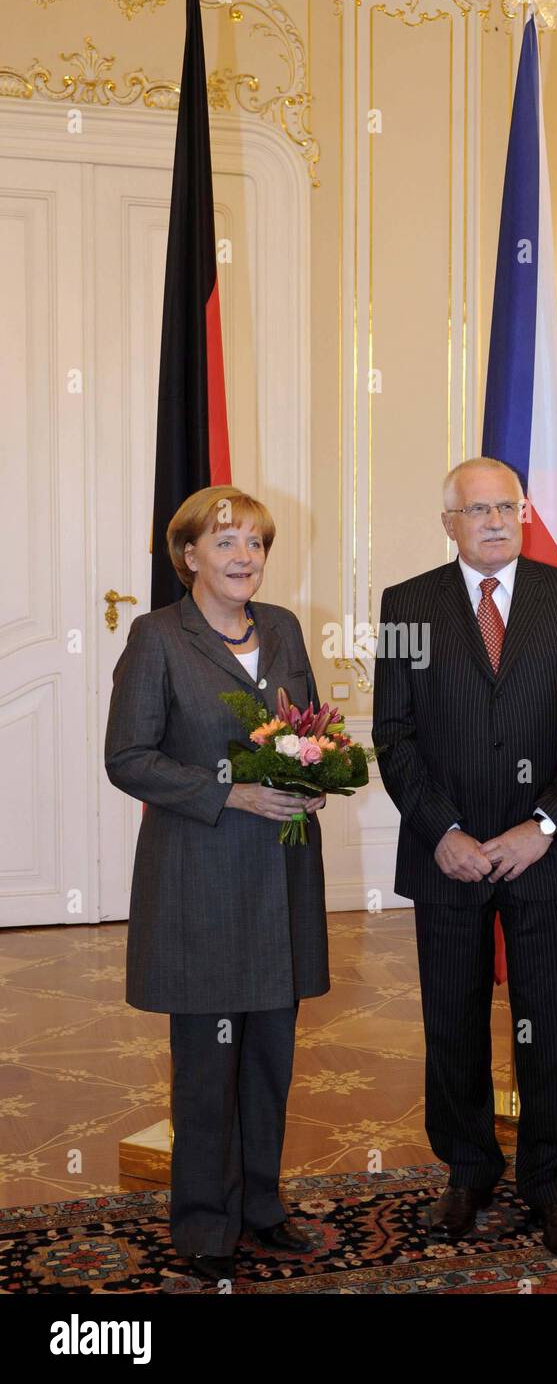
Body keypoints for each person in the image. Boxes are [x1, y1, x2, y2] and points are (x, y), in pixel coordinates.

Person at [372, 457, 557, 1255]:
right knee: (451, 1019)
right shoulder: (406, 605)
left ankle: (550, 1181)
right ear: (447, 522)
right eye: (475, 509)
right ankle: (467, 1168)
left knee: (545, 1020)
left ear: (522, 512)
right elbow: (394, 735)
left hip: (543, 853)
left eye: (505, 506)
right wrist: (442, 831)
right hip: (445, 856)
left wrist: (540, 824)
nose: (492, 520)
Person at [105, 485, 328, 1284]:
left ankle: (262, 1207)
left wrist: (316, 772)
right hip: (200, 880)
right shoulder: (157, 637)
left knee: (270, 1053)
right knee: (208, 1062)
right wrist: (229, 792)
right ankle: (204, 1221)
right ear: (189, 555)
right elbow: (127, 758)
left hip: (281, 876)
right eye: (226, 542)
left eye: (256, 544)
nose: (245, 558)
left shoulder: (286, 630)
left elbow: (304, 732)